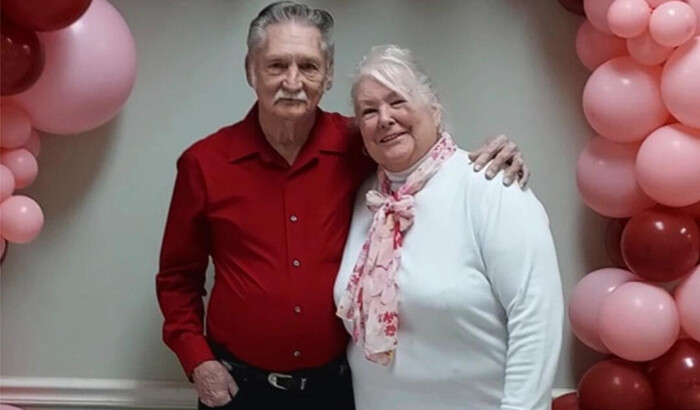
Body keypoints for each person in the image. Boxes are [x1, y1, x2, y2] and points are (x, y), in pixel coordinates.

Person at [156, 2, 529, 409]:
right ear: (251, 70)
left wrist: (488, 159)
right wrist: (198, 361)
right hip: (239, 388)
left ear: (328, 74)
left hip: (336, 390)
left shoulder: (360, 144)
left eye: (309, 66)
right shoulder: (204, 164)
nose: (293, 81)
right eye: (277, 65)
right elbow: (177, 279)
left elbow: (425, 162)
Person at [334, 45, 563, 410]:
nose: (385, 118)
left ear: (434, 107)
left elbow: (536, 317)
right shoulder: (366, 199)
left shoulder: (489, 186)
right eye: (369, 111)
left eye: (398, 101)